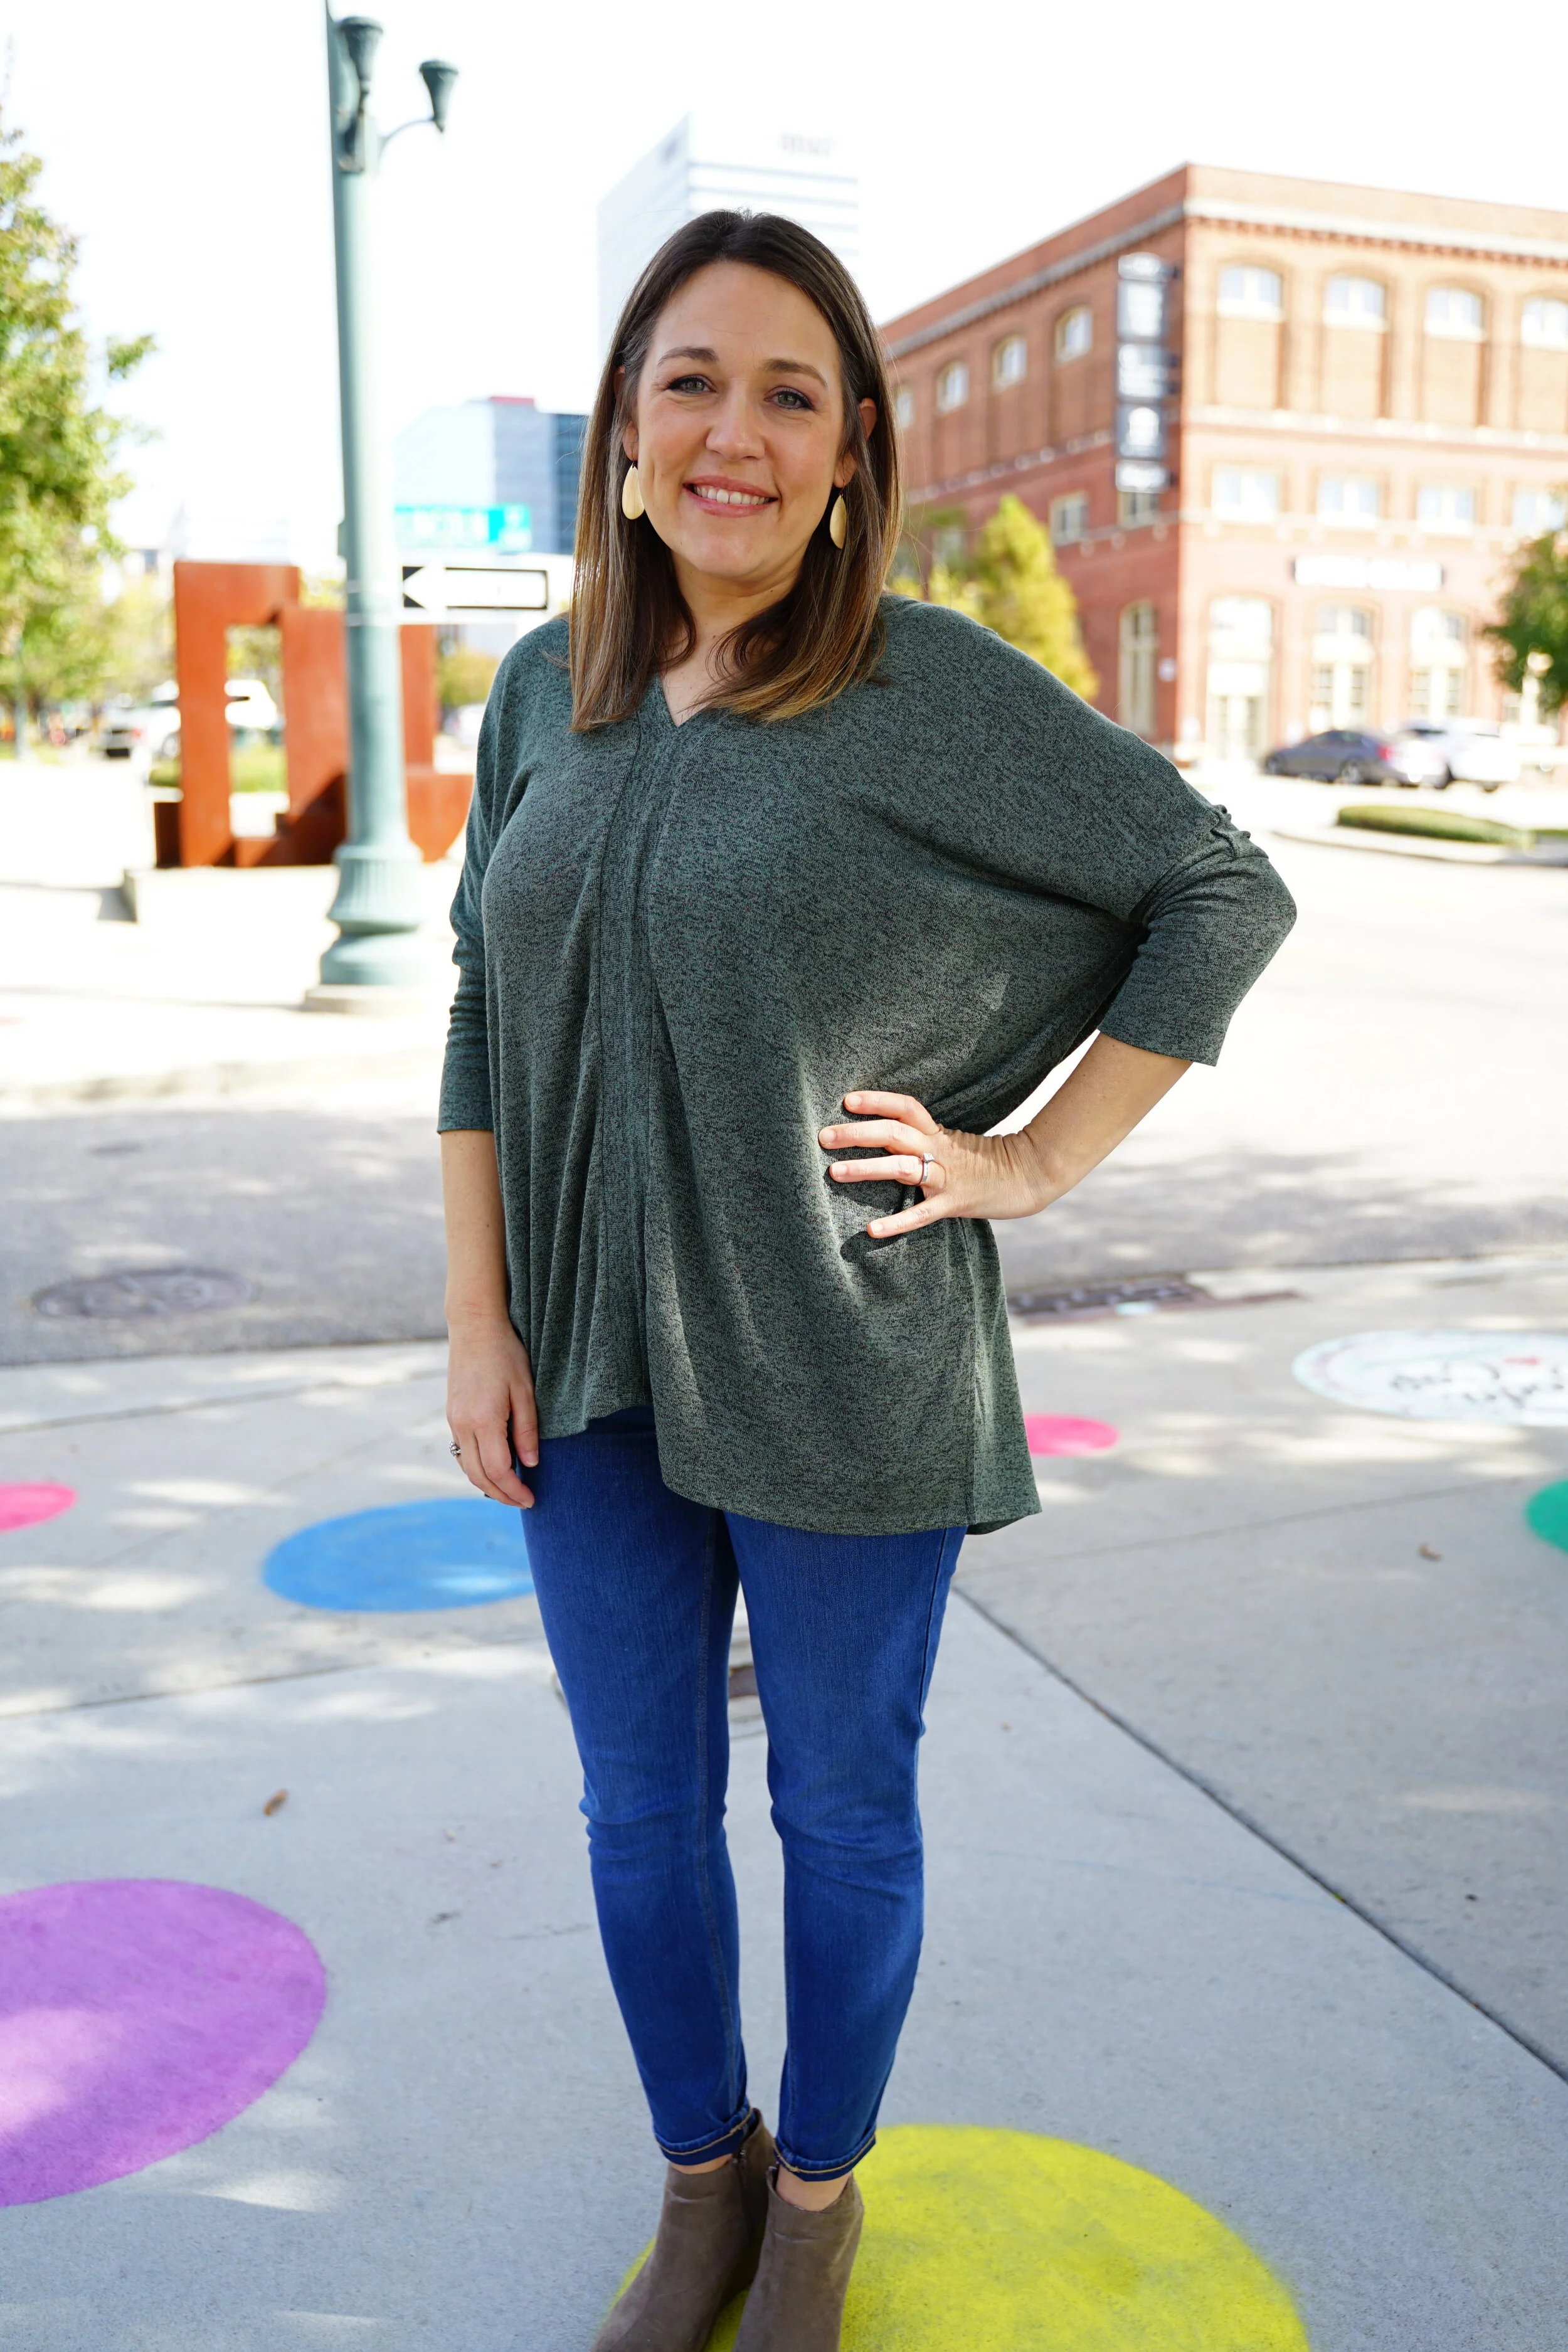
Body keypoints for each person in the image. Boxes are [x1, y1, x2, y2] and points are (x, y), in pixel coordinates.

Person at [438, 210, 1295, 2352]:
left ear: (849, 457)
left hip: (848, 1347)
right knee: (639, 1812)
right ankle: (701, 2180)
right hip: (585, 1364)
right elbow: (474, 1008)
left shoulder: (924, 688)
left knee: (839, 1813)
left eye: (791, 393)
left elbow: (1215, 885)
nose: (736, 429)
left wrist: (1031, 1159)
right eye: (695, 380)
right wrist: (475, 1312)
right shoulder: (546, 689)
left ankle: (816, 2203)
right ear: (625, 429)